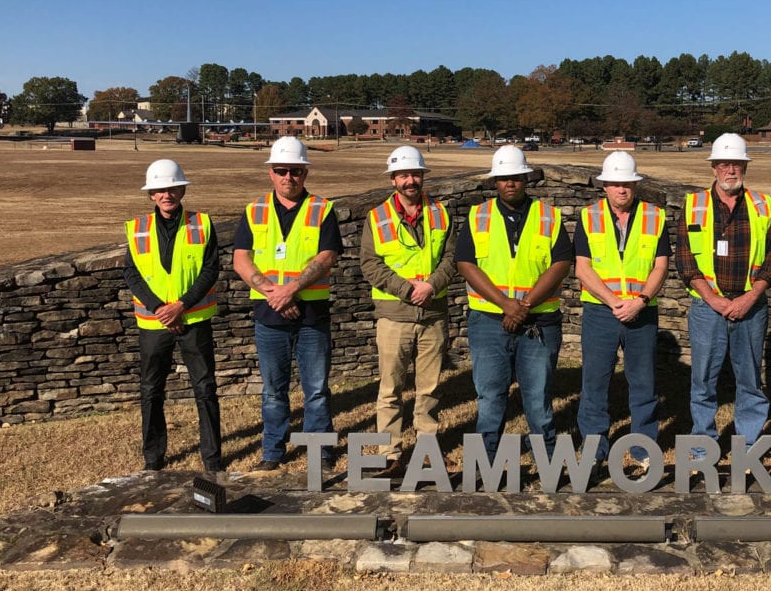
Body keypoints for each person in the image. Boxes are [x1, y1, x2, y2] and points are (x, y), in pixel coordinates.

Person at [455, 145, 573, 461]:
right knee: (490, 397)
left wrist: (525, 305)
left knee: (538, 398)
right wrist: (507, 305)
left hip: (539, 321)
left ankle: (546, 460)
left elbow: (561, 262)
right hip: (490, 320)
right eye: (504, 178)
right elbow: (466, 263)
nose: (511, 183)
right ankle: (485, 461)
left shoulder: (548, 215)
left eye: (516, 177)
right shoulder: (478, 215)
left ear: (526, 178)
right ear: (496, 181)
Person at [232, 137, 341, 471]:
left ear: (305, 172)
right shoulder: (254, 211)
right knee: (272, 392)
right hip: (269, 315)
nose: (288, 177)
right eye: (281, 170)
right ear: (271, 173)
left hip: (312, 316)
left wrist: (290, 289)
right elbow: (241, 260)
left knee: (317, 390)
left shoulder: (323, 209)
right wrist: (275, 295)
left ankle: (319, 452)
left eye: (295, 170)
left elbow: (327, 257)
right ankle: (273, 453)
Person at [675, 133, 771, 459]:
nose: (730, 170)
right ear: (713, 168)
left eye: (736, 163)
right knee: (703, 381)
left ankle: (747, 448)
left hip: (751, 306)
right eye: (724, 163)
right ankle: (701, 449)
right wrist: (713, 299)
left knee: (749, 380)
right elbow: (685, 260)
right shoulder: (694, 204)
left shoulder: (764, 206)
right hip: (707, 307)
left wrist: (750, 298)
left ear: (745, 166)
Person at [359, 145, 456, 478]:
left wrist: (430, 286)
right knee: (390, 389)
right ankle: (389, 454)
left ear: (423, 176)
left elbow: (451, 259)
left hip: (433, 313)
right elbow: (369, 264)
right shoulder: (377, 217)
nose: (410, 180)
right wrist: (407, 289)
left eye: (415, 174)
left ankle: (427, 450)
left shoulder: (442, 214)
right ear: (393, 179)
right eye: (403, 175)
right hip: (394, 315)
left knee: (429, 389)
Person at [123, 159, 223, 472]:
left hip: (193, 319)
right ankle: (153, 458)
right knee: (151, 390)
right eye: (160, 189)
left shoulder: (202, 223)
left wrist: (181, 306)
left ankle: (212, 458)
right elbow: (132, 273)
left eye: (172, 188)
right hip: (154, 324)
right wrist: (160, 309)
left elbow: (210, 270)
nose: (167, 194)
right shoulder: (137, 229)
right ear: (151, 194)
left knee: (205, 388)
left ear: (182, 189)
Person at [574, 151, 670, 476]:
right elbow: (582, 268)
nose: (621, 190)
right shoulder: (588, 218)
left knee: (643, 384)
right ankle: (594, 452)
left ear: (635, 184)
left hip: (641, 312)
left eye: (626, 183)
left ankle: (644, 452)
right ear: (605, 187)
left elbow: (661, 266)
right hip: (601, 311)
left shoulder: (655, 217)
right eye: (615, 184)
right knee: (594, 384)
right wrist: (613, 301)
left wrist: (640, 300)